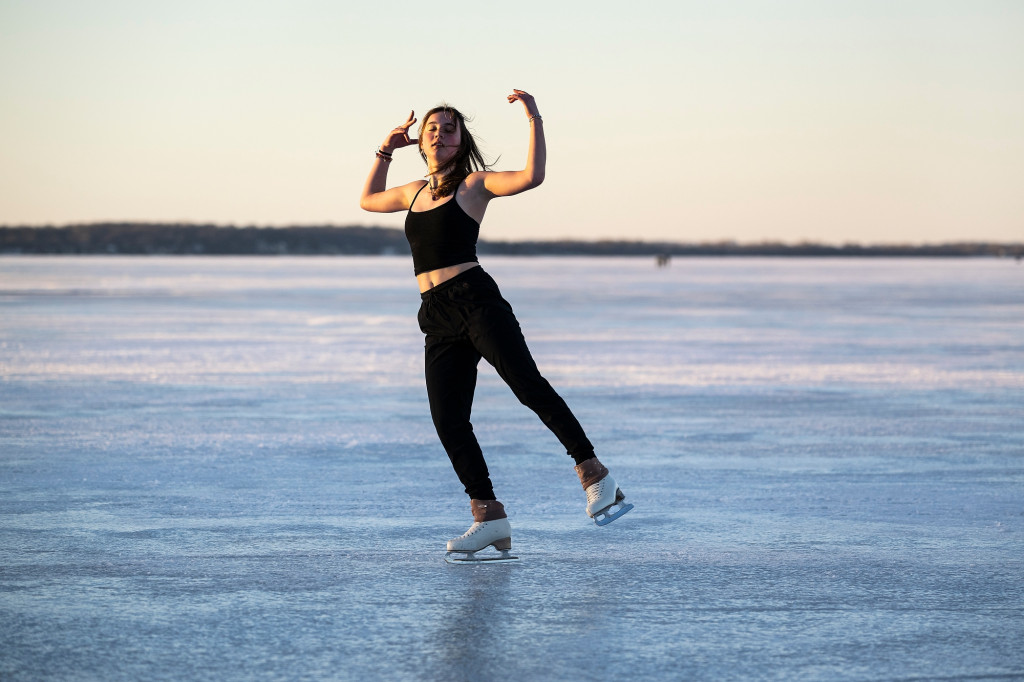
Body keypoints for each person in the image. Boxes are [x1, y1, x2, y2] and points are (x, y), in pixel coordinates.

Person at [359, 89, 632, 561]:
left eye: (449, 129)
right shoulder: (414, 191)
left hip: (476, 301)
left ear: (461, 141)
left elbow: (532, 176)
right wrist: (385, 149)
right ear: (420, 142)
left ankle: (596, 476)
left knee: (527, 385)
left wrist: (534, 119)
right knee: (448, 419)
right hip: (436, 313)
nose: (440, 134)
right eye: (432, 129)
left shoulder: (473, 185)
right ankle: (488, 515)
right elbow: (366, 200)